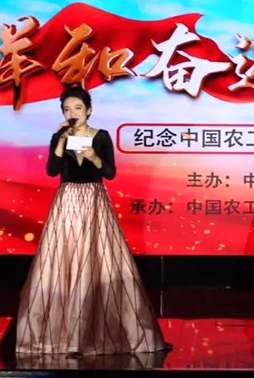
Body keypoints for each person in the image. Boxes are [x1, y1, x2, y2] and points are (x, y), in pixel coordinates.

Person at [15, 86, 170, 358]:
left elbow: (110, 172)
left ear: (88, 110)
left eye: (77, 108)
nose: (72, 113)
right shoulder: (59, 136)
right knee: (62, 261)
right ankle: (58, 336)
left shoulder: (101, 137)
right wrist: (61, 142)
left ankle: (95, 334)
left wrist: (94, 158)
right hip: (66, 202)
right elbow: (52, 170)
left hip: (94, 201)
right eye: (67, 109)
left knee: (97, 259)